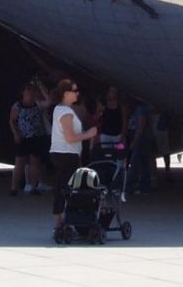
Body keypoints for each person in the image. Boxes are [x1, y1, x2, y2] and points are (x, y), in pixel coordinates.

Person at [50, 79, 101, 242]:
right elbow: (70, 138)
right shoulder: (65, 112)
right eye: (74, 90)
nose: (77, 93)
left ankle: (62, 224)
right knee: (67, 188)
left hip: (64, 153)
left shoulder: (63, 109)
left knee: (64, 187)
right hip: (66, 154)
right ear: (66, 93)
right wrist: (89, 134)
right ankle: (61, 225)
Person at [9, 82, 50, 196]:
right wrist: (16, 133)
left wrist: (41, 86)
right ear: (22, 92)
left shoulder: (38, 104)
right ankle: (14, 187)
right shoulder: (17, 106)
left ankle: (34, 187)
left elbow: (49, 101)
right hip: (23, 137)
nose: (30, 92)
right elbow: (12, 121)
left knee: (35, 162)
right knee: (19, 163)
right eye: (27, 90)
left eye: (32, 90)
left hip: (36, 137)